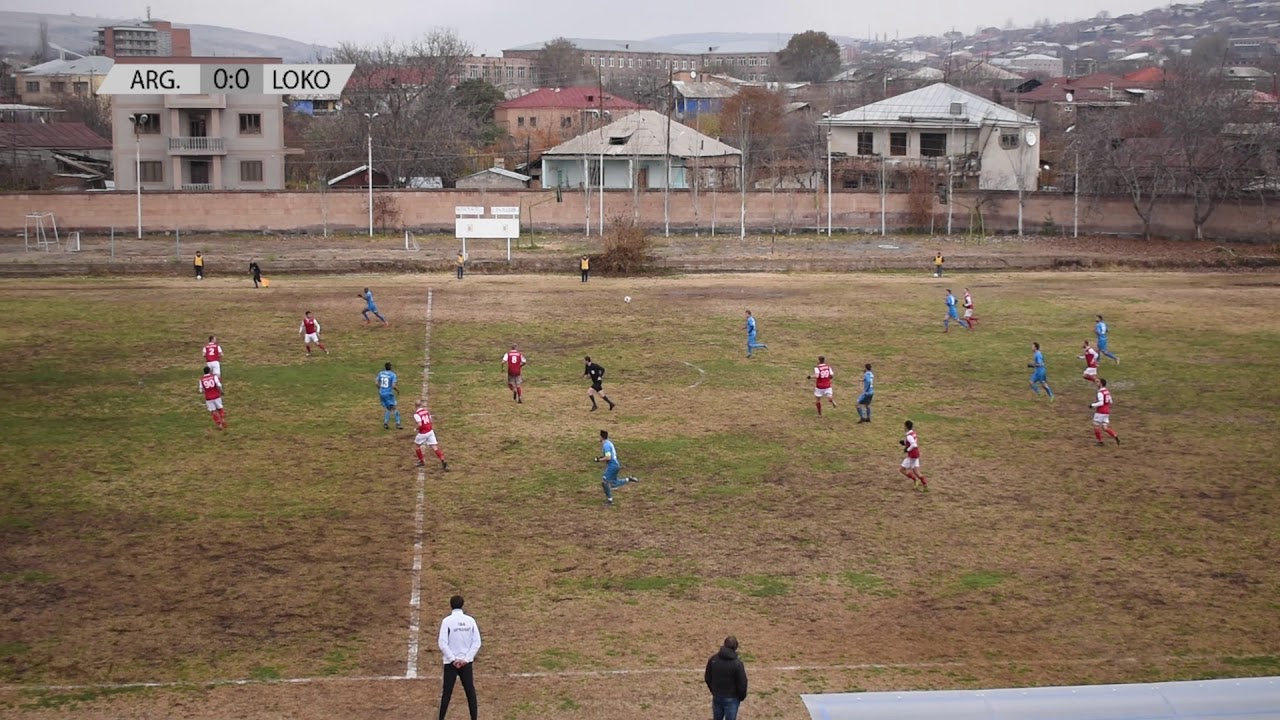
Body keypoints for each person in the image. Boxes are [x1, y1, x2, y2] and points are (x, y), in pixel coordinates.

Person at [437, 594, 481, 720]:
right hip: (466, 664)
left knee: (446, 693)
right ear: (462, 605)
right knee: (470, 692)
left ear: (451, 606)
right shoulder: (470, 621)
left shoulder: (447, 621)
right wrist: (466, 659)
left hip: (451, 664)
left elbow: (442, 643)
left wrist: (453, 659)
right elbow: (477, 642)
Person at [705, 636, 749, 720]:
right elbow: (742, 683)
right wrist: (741, 696)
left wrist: (714, 690)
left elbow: (707, 678)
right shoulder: (737, 664)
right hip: (732, 698)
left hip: (717, 696)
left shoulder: (713, 659)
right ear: (735, 647)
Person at [596, 429, 637, 506]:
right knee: (613, 483)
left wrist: (599, 460)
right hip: (616, 464)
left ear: (601, 437)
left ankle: (609, 500)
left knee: (604, 482)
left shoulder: (606, 445)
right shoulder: (609, 443)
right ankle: (629, 479)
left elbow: (608, 457)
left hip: (612, 465)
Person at [412, 400, 447, 470]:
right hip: (430, 431)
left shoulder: (416, 414)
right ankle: (442, 459)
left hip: (423, 433)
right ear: (421, 405)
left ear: (415, 406)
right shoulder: (426, 412)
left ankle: (421, 461)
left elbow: (420, 424)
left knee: (417, 446)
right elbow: (430, 420)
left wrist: (416, 429)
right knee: (434, 447)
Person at [1090, 378, 1121, 446]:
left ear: (1101, 384)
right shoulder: (1107, 391)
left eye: (1097, 382)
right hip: (1107, 411)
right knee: (1105, 428)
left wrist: (1092, 405)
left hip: (1100, 412)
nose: (1096, 383)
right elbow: (1111, 401)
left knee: (1096, 426)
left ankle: (1099, 441)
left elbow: (1101, 403)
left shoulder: (1100, 392)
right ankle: (1115, 435)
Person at [898, 420, 927, 491]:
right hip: (916, 454)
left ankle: (915, 480)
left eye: (904, 426)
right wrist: (904, 442)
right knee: (916, 471)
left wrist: (907, 449)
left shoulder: (908, 436)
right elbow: (912, 441)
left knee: (902, 469)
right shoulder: (913, 433)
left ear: (906, 427)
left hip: (912, 455)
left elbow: (914, 444)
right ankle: (925, 485)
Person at [200, 365, 226, 430]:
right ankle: (222, 419)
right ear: (209, 371)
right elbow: (219, 385)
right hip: (216, 395)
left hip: (208, 398)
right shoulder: (214, 377)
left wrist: (205, 391)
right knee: (220, 408)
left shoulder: (201, 379)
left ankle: (219, 424)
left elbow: (201, 390)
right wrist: (221, 391)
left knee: (213, 411)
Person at [377, 362, 401, 430]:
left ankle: (385, 423)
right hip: (388, 394)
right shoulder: (393, 375)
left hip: (382, 394)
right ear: (390, 367)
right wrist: (397, 390)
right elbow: (393, 386)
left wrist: (380, 389)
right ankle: (398, 424)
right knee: (394, 407)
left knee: (388, 408)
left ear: (385, 367)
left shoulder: (380, 373)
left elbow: (376, 383)